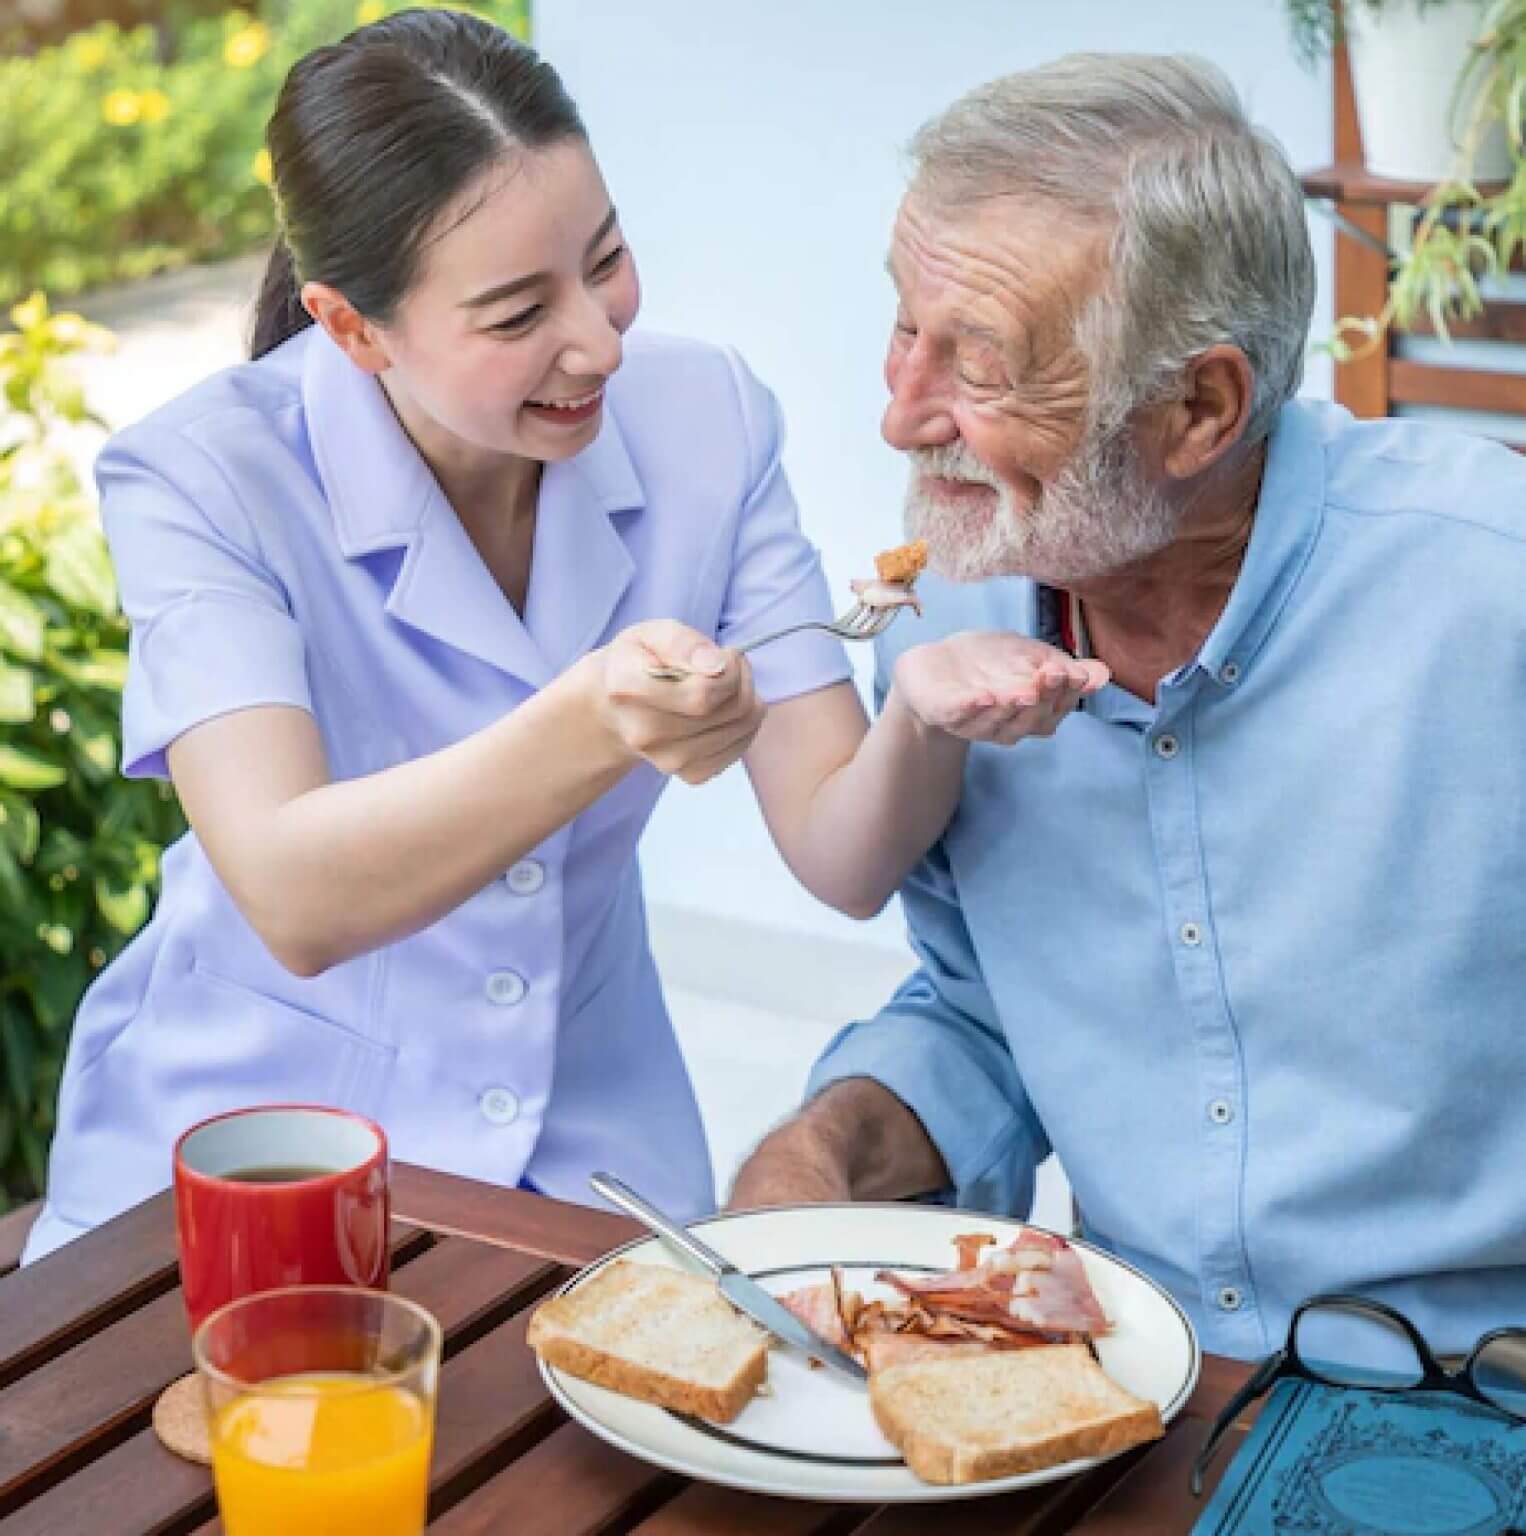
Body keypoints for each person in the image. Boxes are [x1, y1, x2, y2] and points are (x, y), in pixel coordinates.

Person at [23, 10, 1105, 1263]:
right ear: (350, 326)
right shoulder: (203, 476)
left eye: (605, 261)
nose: (596, 342)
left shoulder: (707, 418)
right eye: (514, 312)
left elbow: (839, 853)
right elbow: (292, 895)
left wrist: (919, 714)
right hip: (254, 1144)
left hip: (586, 1155)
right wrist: (591, 720)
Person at [730, 53, 1526, 1362]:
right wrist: (828, 1145)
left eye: (976, 366)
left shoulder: (1488, 592)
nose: (896, 417)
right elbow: (989, 1009)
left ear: (1197, 408)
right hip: (1130, 1381)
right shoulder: (950, 612)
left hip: (1475, 1398)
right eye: (902, 329)